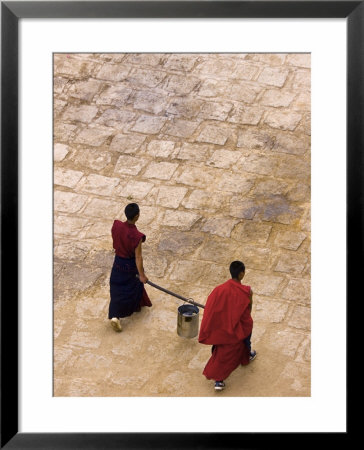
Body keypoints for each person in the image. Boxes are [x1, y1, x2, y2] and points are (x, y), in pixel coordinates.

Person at [198, 261, 257, 391]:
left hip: (221, 329)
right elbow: (248, 309)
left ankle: (220, 380)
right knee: (241, 345)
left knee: (221, 352)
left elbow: (211, 309)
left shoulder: (218, 290)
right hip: (241, 328)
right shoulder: (247, 291)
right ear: (242, 274)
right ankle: (220, 379)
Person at [108, 203, 152, 332]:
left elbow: (115, 239)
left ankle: (115, 316)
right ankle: (134, 307)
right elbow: (138, 257)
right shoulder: (136, 236)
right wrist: (142, 275)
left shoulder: (116, 225)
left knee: (116, 289)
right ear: (137, 216)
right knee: (133, 288)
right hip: (130, 266)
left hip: (118, 263)